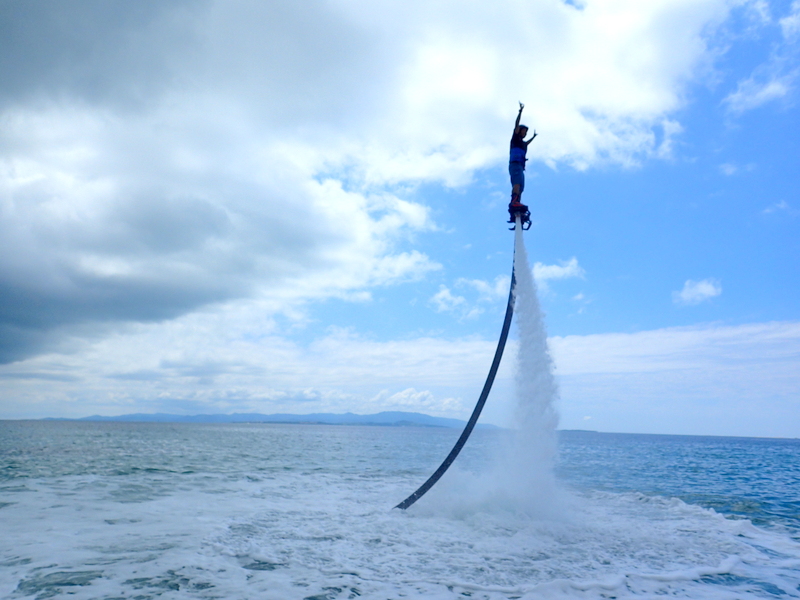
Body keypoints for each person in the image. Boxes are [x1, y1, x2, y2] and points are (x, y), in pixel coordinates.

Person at [509, 102, 536, 207]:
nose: (525, 133)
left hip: (520, 166)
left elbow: (527, 143)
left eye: (526, 132)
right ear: (519, 131)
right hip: (515, 164)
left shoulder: (523, 144)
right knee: (517, 183)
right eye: (523, 131)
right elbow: (516, 124)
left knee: (521, 186)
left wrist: (534, 137)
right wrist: (520, 111)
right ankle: (514, 201)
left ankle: (518, 201)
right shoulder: (515, 138)